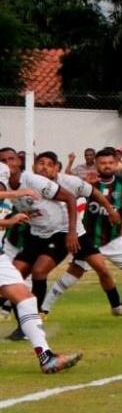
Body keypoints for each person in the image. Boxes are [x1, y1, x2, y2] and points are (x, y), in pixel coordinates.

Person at [0, 150, 83, 373]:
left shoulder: (20, 185)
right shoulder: (12, 191)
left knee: (26, 299)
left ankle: (46, 358)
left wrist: (10, 221)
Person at [41, 148, 122, 317]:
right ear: (96, 165)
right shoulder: (87, 184)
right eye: (103, 163)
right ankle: (44, 309)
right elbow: (66, 201)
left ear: (116, 164)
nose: (107, 166)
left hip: (113, 239)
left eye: (110, 163)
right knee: (73, 274)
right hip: (89, 239)